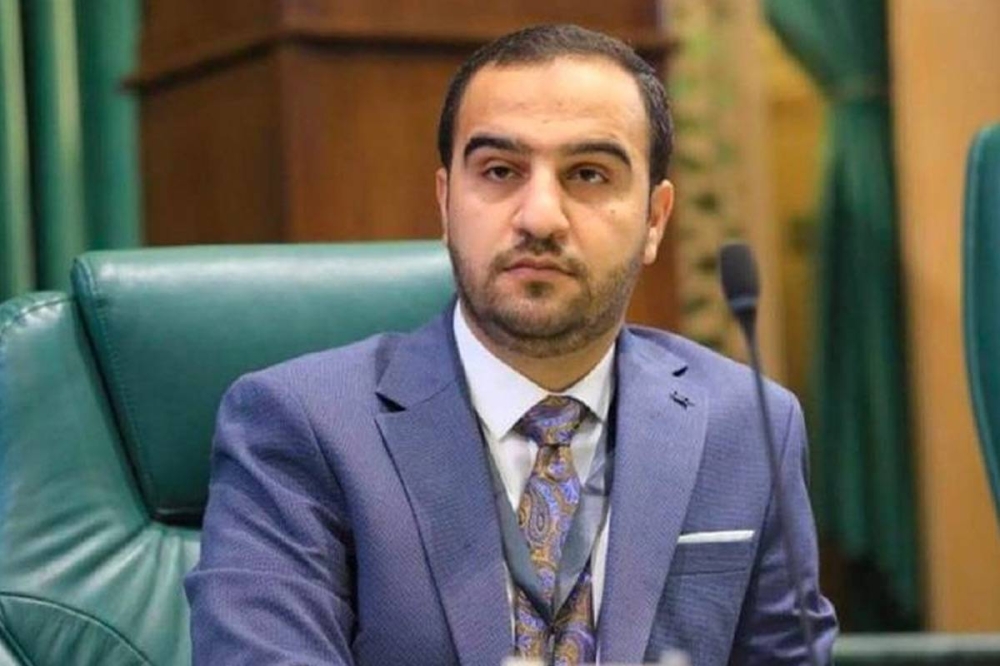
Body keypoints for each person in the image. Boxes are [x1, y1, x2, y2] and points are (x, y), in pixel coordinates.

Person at [185, 24, 837, 665]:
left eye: (588, 174)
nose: (540, 217)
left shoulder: (747, 425)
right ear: (446, 204)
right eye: (500, 171)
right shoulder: (301, 426)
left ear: (655, 220)